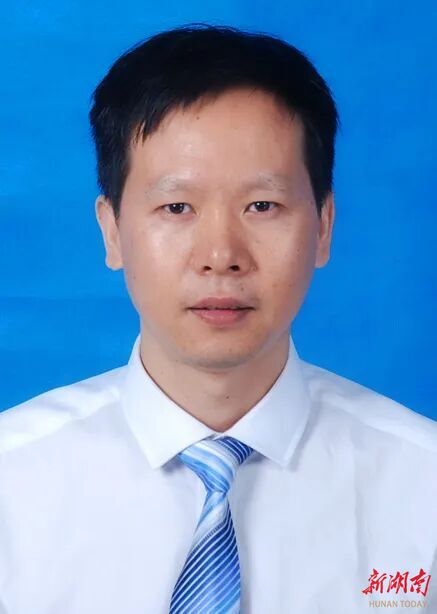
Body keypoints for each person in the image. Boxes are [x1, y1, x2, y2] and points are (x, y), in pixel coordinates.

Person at [0, 23, 436, 614]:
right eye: (177, 206)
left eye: (262, 205)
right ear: (112, 230)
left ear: (324, 226)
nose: (220, 255)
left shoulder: (423, 487)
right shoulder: (11, 487)